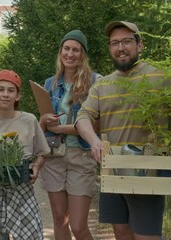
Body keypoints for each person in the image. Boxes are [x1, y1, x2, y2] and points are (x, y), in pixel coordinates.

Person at [75, 21, 171, 240]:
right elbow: (83, 117)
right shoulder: (102, 85)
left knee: (146, 237)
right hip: (112, 171)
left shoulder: (161, 77)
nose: (120, 48)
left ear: (140, 45)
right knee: (121, 232)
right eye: (115, 43)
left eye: (127, 41)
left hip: (148, 172)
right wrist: (93, 141)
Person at [0, 69, 50, 240]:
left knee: (30, 237)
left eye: (11, 90)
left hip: (21, 189)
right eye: (1, 90)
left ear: (18, 96)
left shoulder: (29, 120)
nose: (5, 94)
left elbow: (42, 153)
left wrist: (36, 167)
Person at [38, 29, 100, 240]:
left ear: (83, 54)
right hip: (54, 155)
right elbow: (44, 125)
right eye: (67, 49)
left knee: (78, 225)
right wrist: (44, 122)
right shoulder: (50, 84)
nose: (70, 54)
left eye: (76, 50)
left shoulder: (95, 82)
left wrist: (62, 128)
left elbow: (95, 126)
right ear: (60, 51)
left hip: (81, 156)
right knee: (59, 218)